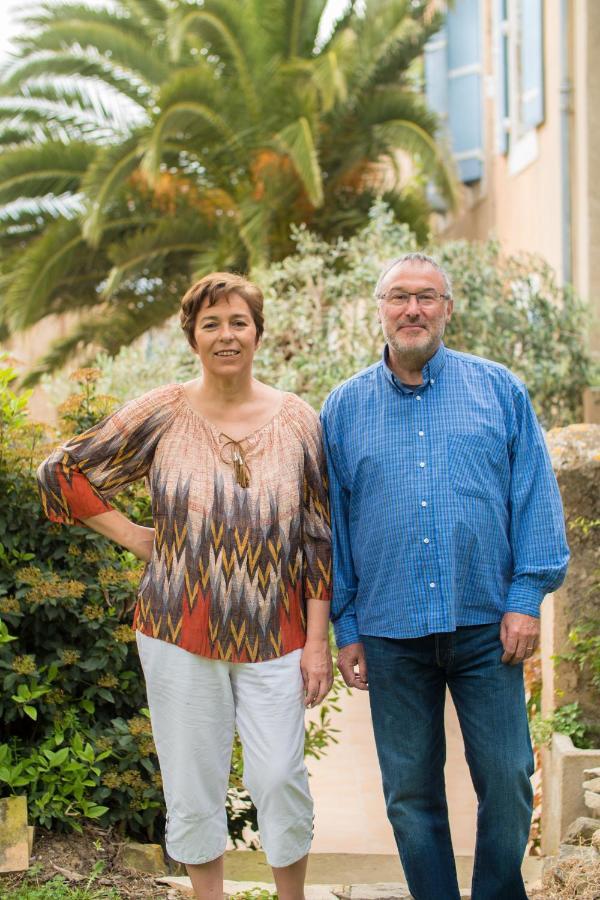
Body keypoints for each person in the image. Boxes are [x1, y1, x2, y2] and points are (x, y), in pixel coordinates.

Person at [37, 272, 333, 900]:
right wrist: (137, 537)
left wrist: (316, 642)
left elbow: (318, 538)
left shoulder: (300, 420)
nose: (226, 335)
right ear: (192, 337)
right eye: (211, 324)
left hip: (275, 631)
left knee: (280, 774)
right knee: (191, 779)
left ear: (257, 333)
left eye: (238, 322)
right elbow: (60, 472)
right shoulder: (163, 412)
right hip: (177, 627)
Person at [320, 252, 569, 900]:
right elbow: (333, 528)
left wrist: (525, 598)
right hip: (390, 631)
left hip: (488, 622)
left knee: (509, 777)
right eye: (399, 296)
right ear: (380, 309)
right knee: (409, 793)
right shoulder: (342, 408)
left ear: (448, 309)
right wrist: (346, 627)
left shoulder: (499, 391)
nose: (413, 309)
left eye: (427, 297)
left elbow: (534, 496)